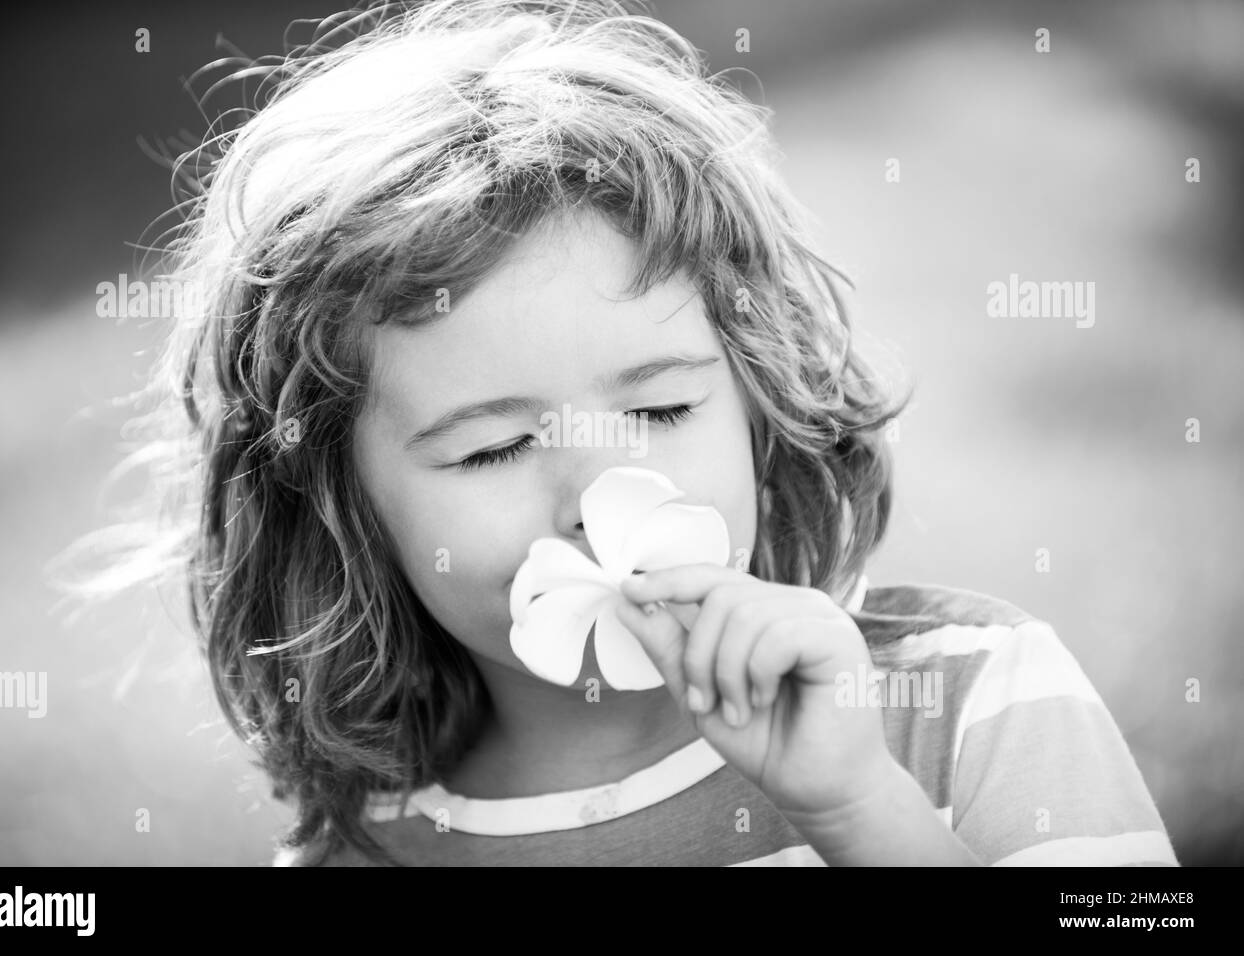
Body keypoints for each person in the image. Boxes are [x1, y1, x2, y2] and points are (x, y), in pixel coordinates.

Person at [77, 0, 1177, 866]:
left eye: (659, 409)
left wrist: (857, 809)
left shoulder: (976, 699)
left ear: (760, 395)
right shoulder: (368, 850)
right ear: (341, 508)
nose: (603, 494)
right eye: (493, 447)